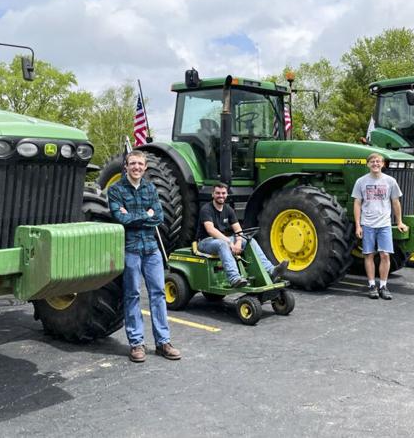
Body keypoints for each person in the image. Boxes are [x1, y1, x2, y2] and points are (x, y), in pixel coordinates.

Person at [107, 150, 181, 363]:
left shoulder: (150, 189)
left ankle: (163, 342)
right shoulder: (116, 190)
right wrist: (144, 215)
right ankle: (136, 343)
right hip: (130, 249)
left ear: (145, 167)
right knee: (132, 294)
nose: (136, 167)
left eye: (140, 164)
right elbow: (120, 218)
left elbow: (157, 217)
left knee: (158, 294)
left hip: (151, 250)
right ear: (126, 166)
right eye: (133, 164)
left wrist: (136, 217)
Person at [196, 183, 289, 287]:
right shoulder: (206, 209)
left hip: (222, 240)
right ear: (213, 194)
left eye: (223, 193)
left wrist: (239, 242)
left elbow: (238, 230)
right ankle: (234, 278)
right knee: (222, 244)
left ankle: (270, 271)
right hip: (206, 241)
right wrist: (229, 242)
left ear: (227, 195)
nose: (220, 195)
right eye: (218, 193)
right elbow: (210, 230)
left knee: (249, 240)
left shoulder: (228, 210)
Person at [352, 152, 409, 300]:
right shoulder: (361, 182)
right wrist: (358, 225)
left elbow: (395, 202)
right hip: (368, 224)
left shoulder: (390, 181)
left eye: (378, 162)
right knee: (369, 254)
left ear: (383, 164)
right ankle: (372, 285)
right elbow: (357, 203)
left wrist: (399, 222)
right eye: (372, 162)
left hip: (384, 224)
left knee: (385, 255)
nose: (375, 164)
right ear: (368, 164)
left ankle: (383, 286)